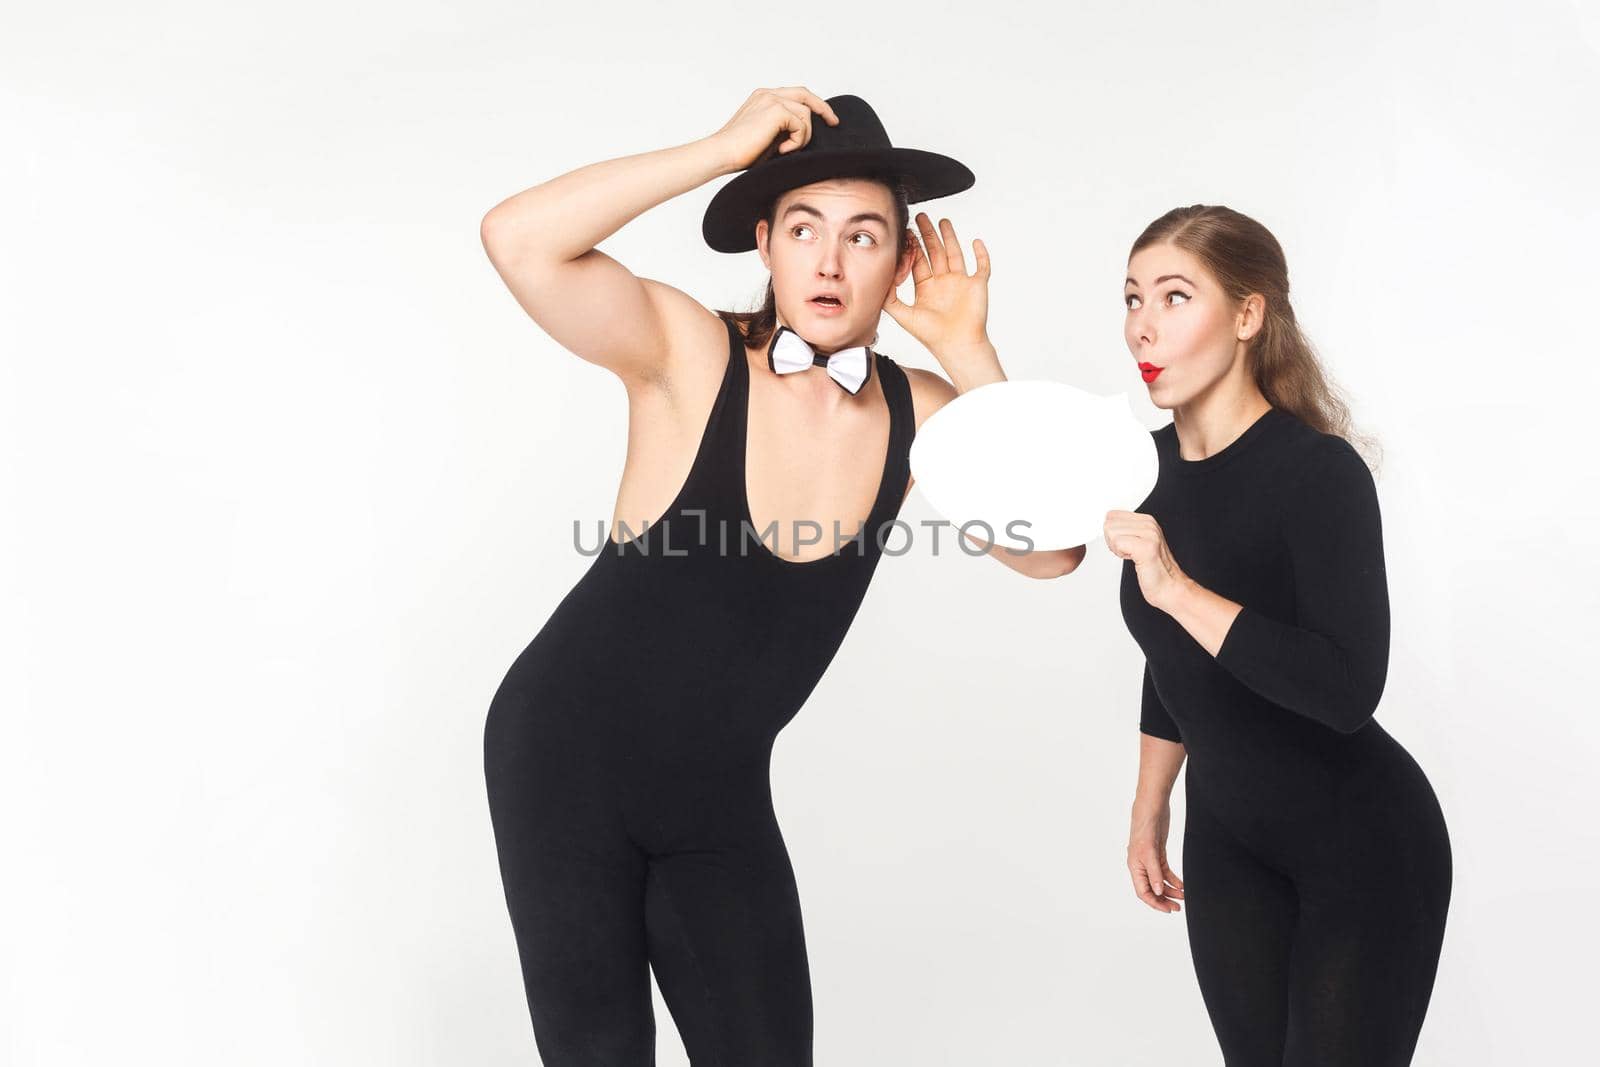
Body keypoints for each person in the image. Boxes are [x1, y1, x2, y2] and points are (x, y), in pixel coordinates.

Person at [479, 87, 1080, 1066]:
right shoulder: (685, 350)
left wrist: (968, 352)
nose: (830, 260)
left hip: (715, 794)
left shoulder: (921, 412)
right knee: (598, 1049)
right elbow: (517, 239)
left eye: (862, 236)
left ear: (901, 262)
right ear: (764, 242)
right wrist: (719, 149)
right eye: (803, 228)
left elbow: (1050, 550)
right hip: (563, 759)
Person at [1105, 205, 1452, 1065]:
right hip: (1228, 840)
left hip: (1363, 845)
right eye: (1132, 297)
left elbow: (1343, 689)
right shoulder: (1137, 470)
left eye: (1176, 296)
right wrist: (1151, 807)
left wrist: (1179, 587)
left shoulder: (1317, 472)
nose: (1144, 324)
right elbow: (1169, 657)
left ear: (1249, 316)